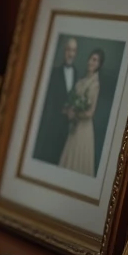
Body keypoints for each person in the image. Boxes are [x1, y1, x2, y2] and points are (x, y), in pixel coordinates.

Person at [59, 48, 104, 176]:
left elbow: (90, 113)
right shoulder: (81, 81)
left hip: (83, 129)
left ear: (98, 65)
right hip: (74, 126)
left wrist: (76, 114)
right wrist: (68, 109)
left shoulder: (95, 84)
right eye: (90, 59)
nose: (91, 62)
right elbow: (72, 101)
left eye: (95, 60)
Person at [33, 37, 79, 165]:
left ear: (76, 53)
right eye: (69, 50)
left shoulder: (75, 72)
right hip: (51, 124)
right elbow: (48, 100)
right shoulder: (53, 72)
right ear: (64, 51)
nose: (71, 53)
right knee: (46, 156)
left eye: (74, 50)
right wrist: (62, 110)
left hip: (65, 127)